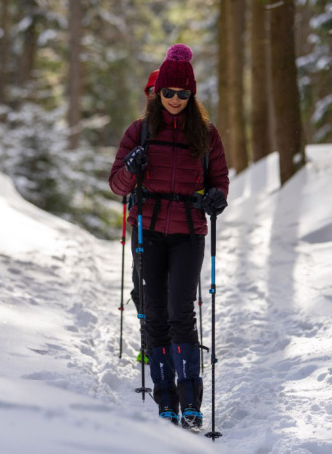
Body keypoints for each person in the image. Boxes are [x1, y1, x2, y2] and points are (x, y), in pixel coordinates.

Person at [109, 43, 229, 429]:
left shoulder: (206, 136)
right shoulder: (140, 131)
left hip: (189, 234)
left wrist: (215, 199)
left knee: (182, 313)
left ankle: (191, 402)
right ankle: (166, 401)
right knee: (155, 315)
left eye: (183, 94)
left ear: (192, 96)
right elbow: (117, 184)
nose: (175, 99)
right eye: (169, 92)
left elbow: (220, 182)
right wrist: (131, 167)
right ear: (157, 93)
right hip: (147, 231)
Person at [130, 69, 159, 364]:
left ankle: (172, 344)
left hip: (177, 225)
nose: (156, 95)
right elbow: (118, 180)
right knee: (141, 286)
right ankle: (148, 342)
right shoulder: (137, 130)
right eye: (151, 90)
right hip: (141, 222)